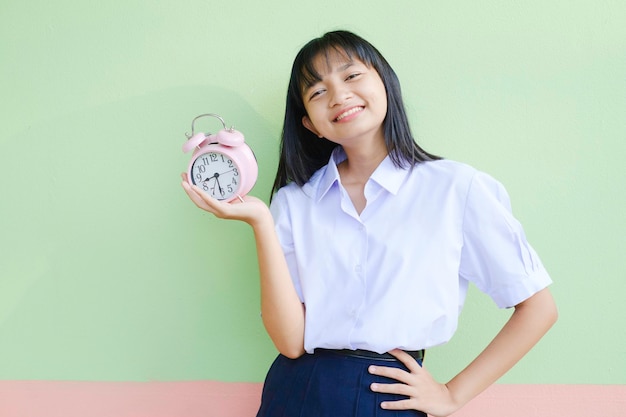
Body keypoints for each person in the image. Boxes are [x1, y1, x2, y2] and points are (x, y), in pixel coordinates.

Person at [181, 30, 557, 417]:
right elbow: (291, 342)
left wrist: (452, 394)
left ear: (385, 82)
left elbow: (538, 307)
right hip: (294, 391)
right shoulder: (294, 201)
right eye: (317, 92)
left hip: (388, 395)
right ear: (310, 124)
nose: (339, 95)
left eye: (351, 76)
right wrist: (260, 221)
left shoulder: (457, 189)